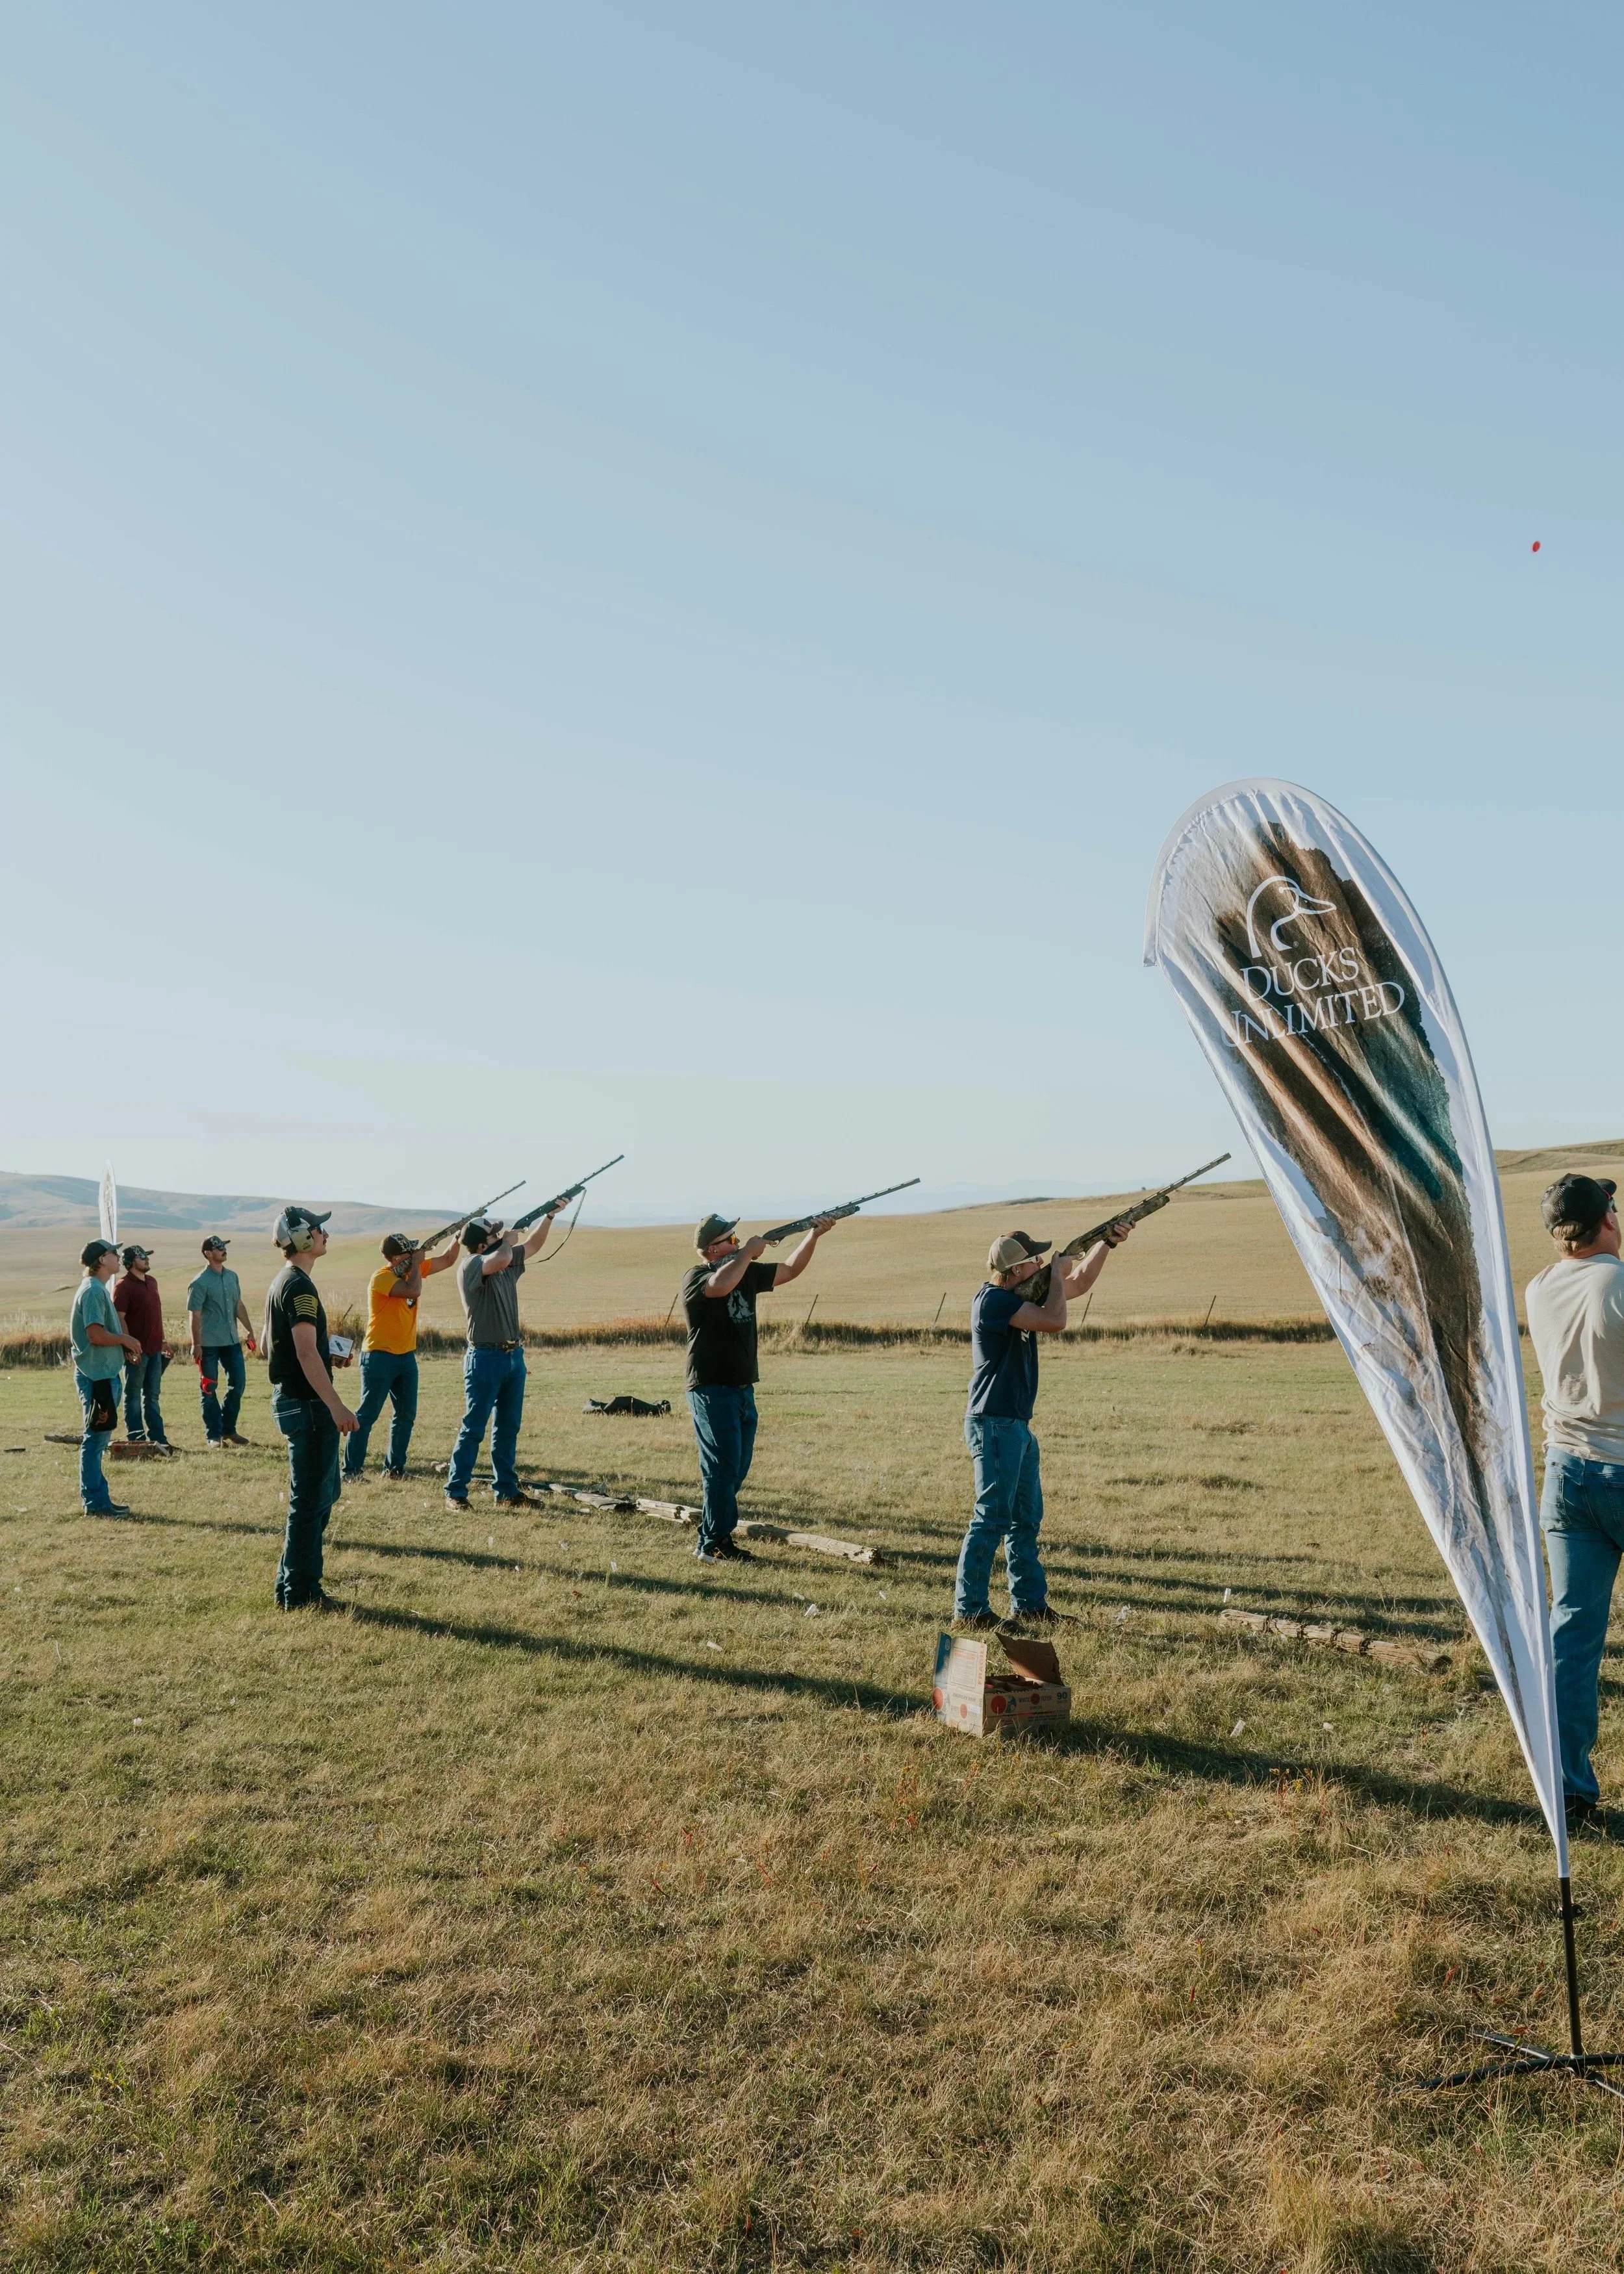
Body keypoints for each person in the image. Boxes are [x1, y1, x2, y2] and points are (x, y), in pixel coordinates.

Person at [954, 1222, 1131, 1630]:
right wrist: (1057, 1272)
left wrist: (1106, 1243)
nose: (1042, 1265)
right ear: (1017, 1271)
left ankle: (1030, 1605)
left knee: (1025, 1519)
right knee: (991, 1518)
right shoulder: (993, 1301)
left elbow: (1078, 1285)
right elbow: (1055, 1320)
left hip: (1015, 1424)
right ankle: (970, 1610)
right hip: (995, 1423)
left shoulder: (1015, 1295)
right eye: (1036, 1261)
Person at [1526, 1172, 1624, 1833]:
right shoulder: (1617, 1282)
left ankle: (1567, 1791)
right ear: (1607, 1216)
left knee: (1572, 1636)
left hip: (1565, 1473)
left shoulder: (1539, 1286)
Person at [679, 1210, 835, 1563]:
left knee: (735, 1469)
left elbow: (790, 1270)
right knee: (721, 1468)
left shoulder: (745, 1271)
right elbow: (718, 1287)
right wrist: (748, 1252)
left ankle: (711, 1535)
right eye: (731, 1240)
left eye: (738, 1238)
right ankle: (714, 1544)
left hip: (742, 1386)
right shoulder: (697, 1276)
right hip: (711, 1387)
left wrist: (813, 1236)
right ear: (712, 1250)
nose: (738, 1242)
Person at [262, 1206, 357, 1610]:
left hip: (294, 1400)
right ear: (302, 1237)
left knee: (321, 1493)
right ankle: (300, 1594)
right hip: (308, 1405)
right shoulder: (300, 1286)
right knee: (311, 1500)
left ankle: (292, 1585)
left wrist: (324, 1351)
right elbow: (301, 1352)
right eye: (320, 1230)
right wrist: (336, 1406)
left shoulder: (282, 1282)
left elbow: (270, 1346)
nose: (325, 1236)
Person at [443, 1208, 561, 1511]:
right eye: (494, 1234)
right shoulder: (472, 1264)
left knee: (508, 1428)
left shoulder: (503, 1258)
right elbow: (501, 1258)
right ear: (483, 1245)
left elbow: (534, 1246)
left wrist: (548, 1216)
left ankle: (507, 1492)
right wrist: (507, 1241)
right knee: (474, 1428)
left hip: (513, 1355)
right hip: (484, 1357)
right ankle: (455, 1493)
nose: (501, 1235)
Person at [344, 1232, 461, 1481]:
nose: (415, 1255)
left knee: (406, 1415)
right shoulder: (382, 1278)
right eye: (410, 1253)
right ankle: (351, 1471)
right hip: (379, 1356)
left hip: (406, 1356)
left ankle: (395, 1470)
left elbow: (449, 1260)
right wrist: (417, 1265)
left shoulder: (413, 1269)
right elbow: (413, 1291)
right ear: (397, 1258)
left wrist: (458, 1237)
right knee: (367, 1415)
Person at [70, 1239, 142, 1516]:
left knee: (98, 1440)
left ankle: (101, 1501)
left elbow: (100, 1336)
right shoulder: (93, 1292)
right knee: (95, 1441)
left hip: (102, 1372)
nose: (118, 1256)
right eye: (113, 1253)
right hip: (96, 1377)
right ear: (102, 1260)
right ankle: (96, 1504)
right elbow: (95, 1335)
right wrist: (125, 1337)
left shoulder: (97, 1288)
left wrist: (121, 1350)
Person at [186, 1236, 256, 1447]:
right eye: (219, 1248)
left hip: (232, 1341)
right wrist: (195, 1344)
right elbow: (194, 1315)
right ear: (208, 1253)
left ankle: (228, 1430)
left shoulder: (232, 1277)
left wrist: (250, 1331)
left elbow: (239, 1305)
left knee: (238, 1384)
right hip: (208, 1345)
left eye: (224, 1247)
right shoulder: (199, 1283)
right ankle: (213, 1436)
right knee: (209, 1388)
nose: (224, 1250)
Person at [114, 1245, 173, 1451]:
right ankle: (137, 1440)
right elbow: (119, 1318)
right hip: (136, 1352)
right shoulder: (123, 1287)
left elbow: (157, 1315)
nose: (146, 1260)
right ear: (130, 1262)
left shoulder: (152, 1282)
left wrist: (163, 1340)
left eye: (146, 1257)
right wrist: (128, 1346)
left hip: (155, 1349)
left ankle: (159, 1439)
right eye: (142, 1257)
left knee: (152, 1396)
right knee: (132, 1396)